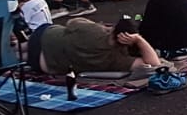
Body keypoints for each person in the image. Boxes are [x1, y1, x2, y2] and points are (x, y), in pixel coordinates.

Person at [33, 16, 164, 79]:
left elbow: (71, 23)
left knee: (19, 48)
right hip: (44, 64)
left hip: (46, 36)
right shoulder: (119, 60)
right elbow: (155, 64)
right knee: (22, 55)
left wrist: (97, 26)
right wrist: (140, 40)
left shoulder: (95, 30)